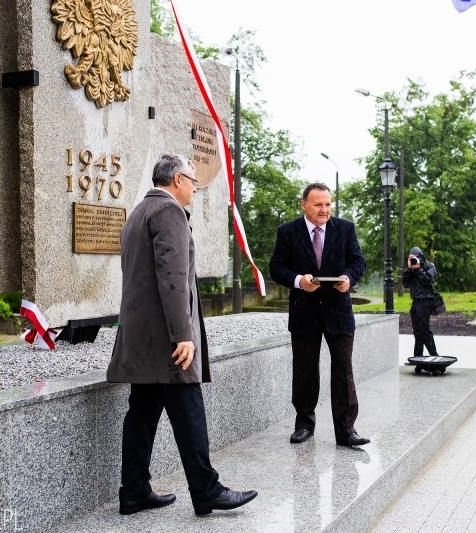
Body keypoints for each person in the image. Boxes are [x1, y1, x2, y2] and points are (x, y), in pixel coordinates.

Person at [107, 154, 257, 516]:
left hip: (142, 338)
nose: (195, 188)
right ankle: (207, 491)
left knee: (142, 413)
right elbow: (172, 278)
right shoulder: (169, 211)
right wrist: (183, 334)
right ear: (177, 179)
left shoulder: (139, 212)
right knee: (188, 410)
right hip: (167, 340)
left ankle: (134, 490)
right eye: (193, 181)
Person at [269, 182, 369, 447]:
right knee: (305, 371)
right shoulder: (287, 231)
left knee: (343, 372)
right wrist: (299, 280)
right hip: (304, 313)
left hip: (339, 312)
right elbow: (276, 268)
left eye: (327, 204)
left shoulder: (345, 228)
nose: (324, 209)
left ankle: (346, 432)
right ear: (304, 205)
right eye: (318, 205)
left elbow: (358, 262)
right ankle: (304, 425)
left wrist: (348, 278)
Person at [402, 246, 439, 358]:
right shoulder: (412, 269)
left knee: (424, 329)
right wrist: (409, 269)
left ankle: (434, 354)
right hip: (416, 301)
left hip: (426, 300)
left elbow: (428, 280)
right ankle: (418, 356)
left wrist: (419, 269)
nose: (413, 260)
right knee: (417, 331)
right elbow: (405, 283)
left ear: (421, 257)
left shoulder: (430, 266)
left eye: (415, 258)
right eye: (411, 258)